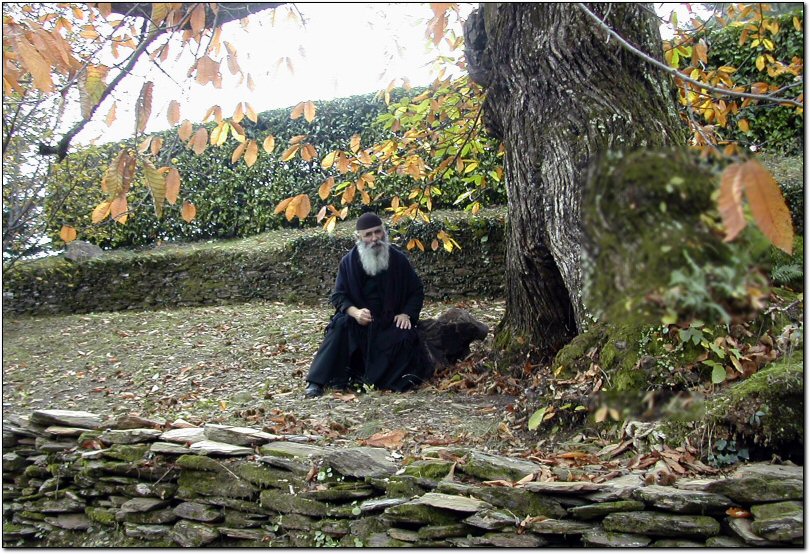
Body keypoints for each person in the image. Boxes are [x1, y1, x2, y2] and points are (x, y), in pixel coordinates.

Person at [304, 212, 431, 398]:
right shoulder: (348, 262)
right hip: (360, 323)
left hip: (389, 323)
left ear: (384, 232)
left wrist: (406, 314)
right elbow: (338, 296)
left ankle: (374, 381)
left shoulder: (398, 259)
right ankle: (316, 382)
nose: (375, 238)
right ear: (360, 237)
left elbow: (416, 290)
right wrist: (355, 312)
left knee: (405, 335)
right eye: (368, 234)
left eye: (378, 232)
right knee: (339, 326)